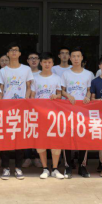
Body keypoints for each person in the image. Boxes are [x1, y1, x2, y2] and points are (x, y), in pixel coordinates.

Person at [0, 42, 34, 180]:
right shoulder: (3, 71)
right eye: (11, 50)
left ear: (19, 53)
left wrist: (25, 100)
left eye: (16, 50)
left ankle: (18, 167)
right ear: (8, 53)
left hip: (21, 108)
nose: (14, 52)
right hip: (6, 108)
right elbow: (0, 89)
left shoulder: (26, 69)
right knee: (6, 139)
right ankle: (6, 168)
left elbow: (29, 87)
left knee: (20, 138)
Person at [31, 52, 64, 180]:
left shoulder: (57, 78)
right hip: (39, 114)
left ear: (52, 64)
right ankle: (45, 168)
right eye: (45, 62)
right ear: (41, 63)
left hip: (54, 114)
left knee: (56, 142)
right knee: (41, 142)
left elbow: (60, 94)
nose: (47, 64)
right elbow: (32, 96)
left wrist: (56, 96)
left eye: (49, 62)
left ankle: (55, 169)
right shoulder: (35, 78)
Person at [61, 47, 93, 179]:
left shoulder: (89, 74)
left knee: (83, 137)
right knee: (68, 137)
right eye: (73, 56)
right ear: (70, 58)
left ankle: (82, 166)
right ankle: (68, 166)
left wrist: (88, 97)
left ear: (82, 58)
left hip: (83, 110)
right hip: (68, 110)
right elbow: (62, 90)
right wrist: (68, 95)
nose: (75, 59)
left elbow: (90, 90)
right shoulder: (65, 74)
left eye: (78, 56)